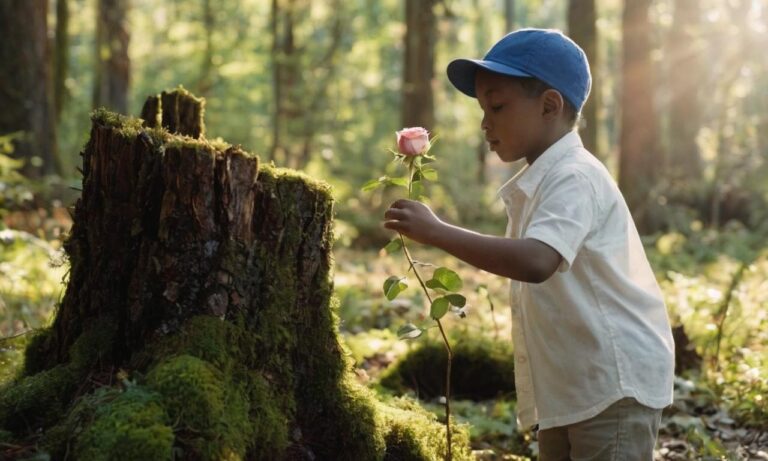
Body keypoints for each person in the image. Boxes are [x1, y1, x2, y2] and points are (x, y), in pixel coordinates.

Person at [384, 28, 674, 460]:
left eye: (497, 106)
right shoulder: (542, 182)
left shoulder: (574, 176)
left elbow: (538, 260)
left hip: (613, 383)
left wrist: (437, 231)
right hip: (574, 384)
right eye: (483, 108)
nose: (485, 122)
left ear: (550, 105)